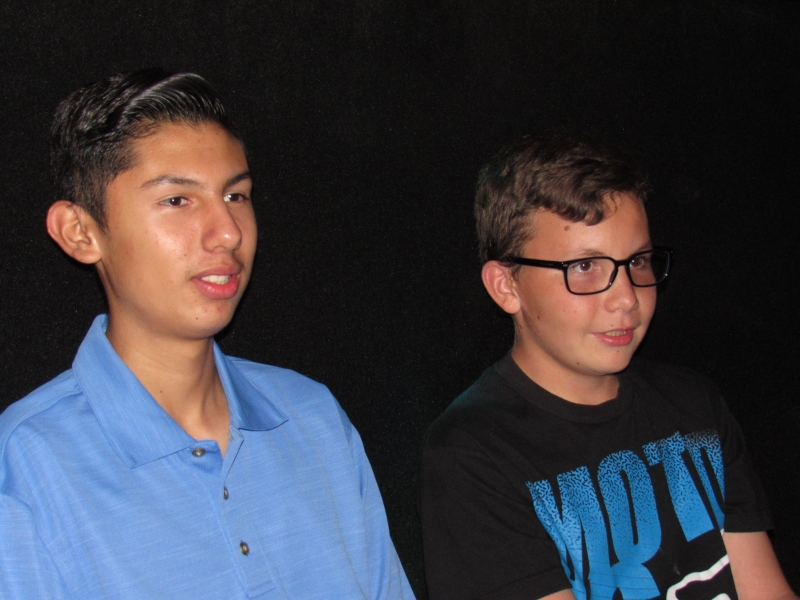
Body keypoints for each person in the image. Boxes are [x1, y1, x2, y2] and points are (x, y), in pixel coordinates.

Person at [0, 69, 414, 599]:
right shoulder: (28, 466)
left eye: (236, 196)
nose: (229, 233)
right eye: (177, 200)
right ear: (80, 232)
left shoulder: (312, 419)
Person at [418, 131, 797, 600]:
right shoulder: (472, 454)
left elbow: (766, 591)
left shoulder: (694, 404)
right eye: (584, 267)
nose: (626, 298)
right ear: (506, 286)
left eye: (637, 261)